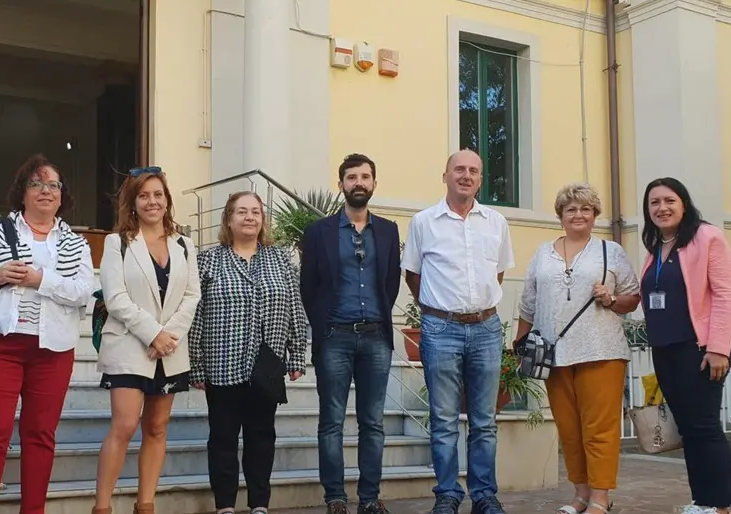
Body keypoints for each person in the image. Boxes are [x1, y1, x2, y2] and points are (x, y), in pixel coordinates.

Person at [0, 154, 97, 514]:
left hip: (54, 348)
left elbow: (84, 290)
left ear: (62, 196)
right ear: (22, 192)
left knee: (40, 435)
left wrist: (41, 280)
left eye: (53, 185)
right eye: (37, 183)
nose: (46, 191)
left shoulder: (76, 243)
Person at [515, 184, 641, 514]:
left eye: (585, 209)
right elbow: (528, 304)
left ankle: (600, 497)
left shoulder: (610, 251)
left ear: (595, 215)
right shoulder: (542, 253)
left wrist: (611, 299)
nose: (578, 215)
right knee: (569, 430)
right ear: (560, 216)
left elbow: (632, 298)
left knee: (599, 429)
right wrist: (519, 345)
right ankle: (581, 494)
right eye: (571, 209)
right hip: (553, 355)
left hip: (601, 351)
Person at [401, 149, 515, 514]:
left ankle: (484, 496)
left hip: (485, 328)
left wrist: (475, 306)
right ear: (445, 175)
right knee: (444, 419)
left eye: (473, 171)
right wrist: (440, 310)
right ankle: (447, 494)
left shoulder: (496, 222)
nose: (466, 176)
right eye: (459, 169)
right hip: (440, 328)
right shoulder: (424, 222)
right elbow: (413, 275)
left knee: (484, 421)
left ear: (480, 179)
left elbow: (497, 273)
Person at [188, 191, 310, 514]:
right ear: (228, 219)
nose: (249, 217)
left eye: (256, 212)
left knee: (261, 438)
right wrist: (196, 365)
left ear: (262, 220)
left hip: (266, 367)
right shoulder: (208, 260)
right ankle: (225, 504)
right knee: (223, 439)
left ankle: (259, 504)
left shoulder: (280, 259)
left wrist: (297, 354)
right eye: (242, 212)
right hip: (222, 364)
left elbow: (294, 307)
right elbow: (196, 314)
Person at [90, 167, 201, 514]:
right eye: (144, 196)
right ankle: (103, 507)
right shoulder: (117, 242)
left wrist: (169, 337)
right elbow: (116, 297)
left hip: (170, 349)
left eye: (158, 195)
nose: (152, 202)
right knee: (124, 425)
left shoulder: (184, 244)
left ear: (167, 201)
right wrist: (154, 333)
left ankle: (146, 505)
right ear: (133, 203)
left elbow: (192, 295)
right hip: (128, 344)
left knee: (156, 428)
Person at [300, 154, 402, 514]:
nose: (359, 182)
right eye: (352, 177)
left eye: (365, 176)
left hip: (376, 337)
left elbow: (391, 281)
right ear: (341, 184)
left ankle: (370, 498)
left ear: (374, 183)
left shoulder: (388, 230)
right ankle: (336, 498)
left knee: (372, 422)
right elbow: (308, 286)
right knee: (331, 421)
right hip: (335, 338)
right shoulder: (318, 232)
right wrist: (322, 328)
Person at [640, 177, 731, 514]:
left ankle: (719, 504)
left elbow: (724, 294)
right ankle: (702, 501)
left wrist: (718, 347)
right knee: (687, 428)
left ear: (683, 203)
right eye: (654, 203)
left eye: (669, 200)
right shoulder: (657, 246)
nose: (662, 208)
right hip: (665, 348)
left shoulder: (707, 237)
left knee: (704, 426)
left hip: (700, 348)